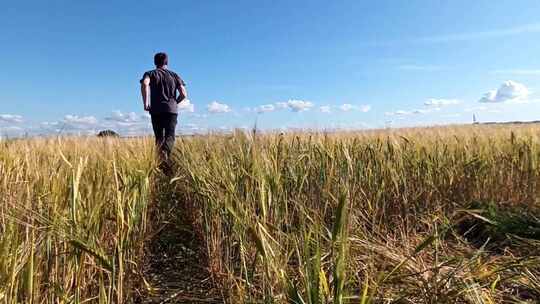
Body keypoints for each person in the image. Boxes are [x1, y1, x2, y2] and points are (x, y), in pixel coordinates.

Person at [140, 52, 187, 163]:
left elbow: (145, 84)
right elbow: (184, 94)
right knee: (170, 136)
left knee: (159, 138)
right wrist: (175, 102)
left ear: (155, 62)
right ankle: (166, 159)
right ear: (167, 62)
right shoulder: (174, 75)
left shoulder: (149, 73)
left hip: (156, 110)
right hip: (171, 110)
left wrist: (145, 102)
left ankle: (162, 161)